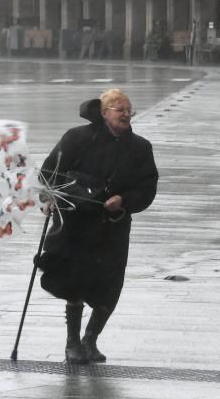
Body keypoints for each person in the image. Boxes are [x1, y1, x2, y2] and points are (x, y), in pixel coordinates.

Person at [37, 89, 159, 365]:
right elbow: (48, 174)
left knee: (110, 284)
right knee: (75, 283)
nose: (127, 113)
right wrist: (50, 198)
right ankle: (72, 344)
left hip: (113, 227)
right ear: (104, 113)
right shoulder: (77, 138)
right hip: (76, 226)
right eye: (119, 109)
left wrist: (125, 200)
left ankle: (90, 340)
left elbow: (147, 187)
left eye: (129, 109)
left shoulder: (140, 147)